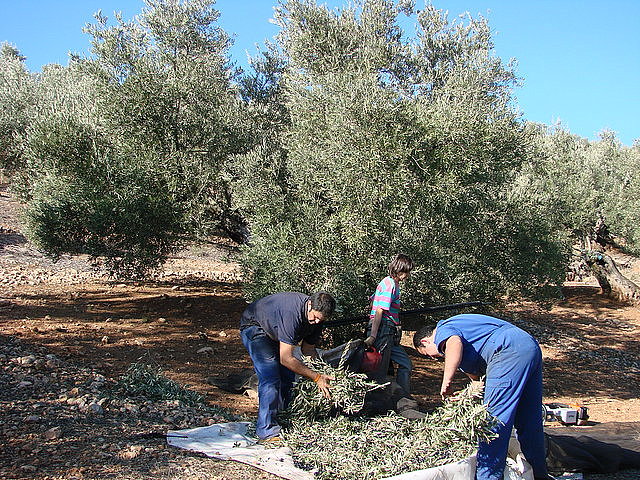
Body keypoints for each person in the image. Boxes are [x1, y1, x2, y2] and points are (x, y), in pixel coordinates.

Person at [413, 313, 550, 480]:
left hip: (506, 350)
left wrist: (446, 382)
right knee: (529, 420)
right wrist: (465, 398)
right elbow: (478, 382)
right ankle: (539, 474)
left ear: (425, 342)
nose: (434, 358)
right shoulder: (468, 340)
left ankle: (488, 477)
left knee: (492, 424)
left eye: (428, 354)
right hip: (527, 346)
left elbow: (453, 343)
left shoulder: (444, 329)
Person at [239, 291, 336, 443]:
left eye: (321, 319)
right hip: (255, 327)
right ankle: (266, 431)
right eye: (315, 317)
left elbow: (308, 350)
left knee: (288, 376)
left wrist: (322, 372)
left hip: (274, 331)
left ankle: (283, 417)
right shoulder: (292, 314)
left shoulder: (317, 321)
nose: (317, 321)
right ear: (310, 304)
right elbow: (286, 359)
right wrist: (315, 377)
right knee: (270, 376)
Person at [364, 254, 414, 397]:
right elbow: (379, 310)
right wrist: (373, 335)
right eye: (406, 272)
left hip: (390, 331)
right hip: (383, 329)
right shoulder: (390, 284)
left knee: (405, 364)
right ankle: (377, 400)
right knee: (379, 368)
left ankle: (403, 397)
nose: (407, 276)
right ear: (399, 271)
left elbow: (373, 302)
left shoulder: (389, 283)